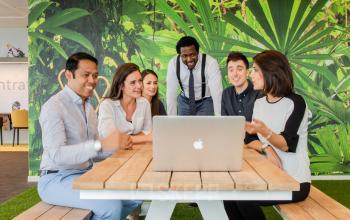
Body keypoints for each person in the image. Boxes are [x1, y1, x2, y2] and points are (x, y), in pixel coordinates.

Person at [38, 52, 141, 220]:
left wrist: (116, 145)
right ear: (68, 75)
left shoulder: (89, 108)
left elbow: (95, 152)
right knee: (111, 207)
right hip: (55, 179)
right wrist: (101, 144)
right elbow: (57, 155)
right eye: (85, 75)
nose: (92, 81)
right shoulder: (53, 107)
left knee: (134, 197)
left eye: (95, 75)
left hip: (83, 176)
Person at [224, 50, 311, 220]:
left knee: (244, 199)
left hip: (294, 182)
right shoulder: (259, 103)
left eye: (255, 70)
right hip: (268, 177)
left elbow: (287, 144)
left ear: (271, 73)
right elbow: (250, 140)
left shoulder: (295, 103)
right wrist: (266, 147)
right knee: (228, 195)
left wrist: (264, 131)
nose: (251, 74)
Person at [166, 36, 223, 115]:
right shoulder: (174, 64)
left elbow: (217, 93)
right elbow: (171, 93)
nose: (189, 59)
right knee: (182, 127)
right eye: (184, 56)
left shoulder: (210, 63)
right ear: (179, 55)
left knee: (204, 127)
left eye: (192, 55)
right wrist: (171, 120)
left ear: (198, 52)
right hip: (184, 100)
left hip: (205, 101)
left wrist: (219, 119)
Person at [98, 63, 152, 144]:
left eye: (140, 81)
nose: (139, 86)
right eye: (133, 82)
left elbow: (147, 131)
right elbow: (111, 138)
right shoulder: (107, 106)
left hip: (135, 150)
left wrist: (127, 139)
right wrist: (145, 138)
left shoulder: (144, 103)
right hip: (112, 154)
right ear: (121, 86)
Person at [221, 52, 261, 143]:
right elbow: (225, 125)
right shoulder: (226, 93)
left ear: (247, 72)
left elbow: (261, 130)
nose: (235, 74)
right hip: (232, 144)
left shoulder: (259, 94)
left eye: (239, 69)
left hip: (255, 146)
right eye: (231, 70)